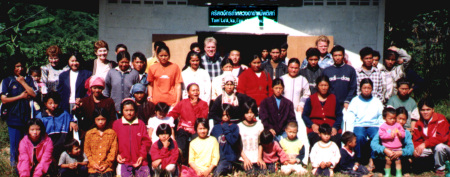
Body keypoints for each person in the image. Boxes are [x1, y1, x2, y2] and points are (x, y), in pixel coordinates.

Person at [1, 57, 36, 168]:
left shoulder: (29, 79)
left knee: (28, 146)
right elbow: (4, 100)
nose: (20, 69)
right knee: (15, 147)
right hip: (13, 119)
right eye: (17, 66)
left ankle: (28, 169)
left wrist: (23, 82)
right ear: (13, 67)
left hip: (28, 119)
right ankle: (13, 170)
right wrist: (20, 96)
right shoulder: (7, 81)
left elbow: (34, 94)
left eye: (22, 66)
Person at [345, 79, 384, 167]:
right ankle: (358, 159)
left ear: (372, 89)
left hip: (374, 125)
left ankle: (372, 158)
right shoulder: (355, 100)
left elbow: (381, 116)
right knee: (359, 137)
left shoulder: (376, 101)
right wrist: (349, 132)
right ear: (361, 89)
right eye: (364, 88)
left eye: (369, 88)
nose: (366, 90)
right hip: (359, 125)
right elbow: (351, 116)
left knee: (376, 136)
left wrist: (382, 128)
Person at [167, 83, 209, 164]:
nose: (195, 92)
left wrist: (195, 106)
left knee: (196, 139)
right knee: (181, 136)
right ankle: (180, 156)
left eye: (197, 90)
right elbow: (174, 113)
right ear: (188, 92)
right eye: (193, 90)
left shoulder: (203, 104)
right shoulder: (183, 103)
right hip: (184, 128)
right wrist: (167, 118)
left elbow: (202, 118)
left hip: (197, 129)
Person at [112, 99, 152, 177]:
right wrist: (117, 154)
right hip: (123, 160)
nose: (129, 113)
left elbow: (146, 142)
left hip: (140, 160)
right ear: (122, 111)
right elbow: (113, 141)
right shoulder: (117, 124)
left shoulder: (140, 124)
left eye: (131, 110)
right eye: (126, 110)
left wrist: (142, 156)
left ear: (135, 111)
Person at [371, 107, 414, 177]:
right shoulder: (384, 128)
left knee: (404, 160)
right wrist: (384, 150)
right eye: (399, 118)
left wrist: (401, 152)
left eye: (404, 119)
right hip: (386, 156)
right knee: (377, 154)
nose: (401, 122)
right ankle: (382, 171)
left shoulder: (406, 133)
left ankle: (402, 172)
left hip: (399, 157)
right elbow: (373, 144)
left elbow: (411, 148)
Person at [412, 98, 450, 176]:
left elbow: (443, 138)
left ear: (433, 110)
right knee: (418, 151)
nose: (425, 112)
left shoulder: (441, 119)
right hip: (431, 148)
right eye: (422, 110)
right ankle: (431, 163)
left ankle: (440, 168)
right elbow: (416, 140)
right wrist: (416, 149)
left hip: (446, 147)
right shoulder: (419, 123)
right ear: (419, 111)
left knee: (439, 147)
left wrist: (425, 144)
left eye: (428, 109)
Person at [302, 75, 343, 147]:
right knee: (316, 140)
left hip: (331, 127)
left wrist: (335, 127)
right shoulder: (311, 99)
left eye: (325, 85)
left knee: (335, 140)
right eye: (321, 85)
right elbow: (305, 115)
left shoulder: (333, 98)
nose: (323, 88)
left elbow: (339, 115)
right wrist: (312, 124)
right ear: (317, 86)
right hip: (316, 128)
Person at [36, 91, 78, 161]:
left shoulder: (64, 114)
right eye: (50, 103)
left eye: (55, 103)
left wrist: (72, 122)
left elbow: (72, 119)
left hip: (62, 149)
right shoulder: (40, 117)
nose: (53, 105)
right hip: (47, 149)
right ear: (45, 104)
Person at [72, 76, 116, 141]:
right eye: (94, 88)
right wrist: (78, 108)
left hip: (104, 134)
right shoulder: (84, 101)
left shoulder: (109, 101)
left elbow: (112, 119)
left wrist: (106, 132)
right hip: (88, 133)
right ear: (91, 88)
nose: (97, 90)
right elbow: (79, 117)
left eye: (100, 88)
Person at [84, 107, 118, 177]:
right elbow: (87, 150)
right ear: (94, 120)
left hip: (107, 168)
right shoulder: (89, 134)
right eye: (98, 119)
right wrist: (92, 163)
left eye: (103, 119)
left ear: (106, 119)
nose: (100, 122)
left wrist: (107, 164)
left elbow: (113, 151)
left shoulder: (111, 133)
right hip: (93, 167)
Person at [322, 45, 357, 111]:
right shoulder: (326, 71)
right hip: (331, 104)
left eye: (340, 55)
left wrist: (348, 100)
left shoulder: (350, 70)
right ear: (332, 56)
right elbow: (323, 88)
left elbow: (353, 88)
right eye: (335, 55)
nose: (337, 58)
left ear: (343, 56)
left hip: (346, 105)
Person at [237, 100, 265, 176]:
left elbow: (260, 143)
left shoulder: (259, 125)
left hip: (256, 158)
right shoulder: (239, 126)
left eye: (251, 112)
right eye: (247, 113)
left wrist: (259, 158)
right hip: (244, 158)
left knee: (263, 172)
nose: (249, 115)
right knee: (252, 173)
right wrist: (245, 159)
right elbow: (238, 146)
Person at [210, 105, 240, 176]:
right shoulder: (216, 128)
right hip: (217, 158)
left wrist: (226, 128)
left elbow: (233, 141)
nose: (225, 117)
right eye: (223, 115)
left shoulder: (234, 127)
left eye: (227, 115)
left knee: (218, 173)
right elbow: (211, 142)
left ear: (231, 115)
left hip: (229, 159)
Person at [378, 108, 404, 177]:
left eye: (394, 118)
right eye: (390, 118)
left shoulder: (398, 125)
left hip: (398, 148)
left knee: (398, 161)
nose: (393, 120)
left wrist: (400, 133)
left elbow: (403, 133)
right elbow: (382, 136)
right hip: (388, 148)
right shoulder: (383, 126)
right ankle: (387, 174)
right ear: (384, 118)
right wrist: (390, 135)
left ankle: (398, 173)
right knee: (388, 161)